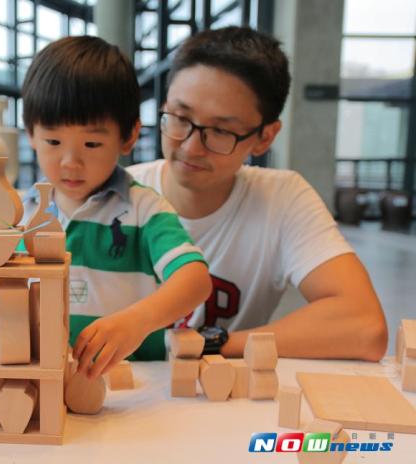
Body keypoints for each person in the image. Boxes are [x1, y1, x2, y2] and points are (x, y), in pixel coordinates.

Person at [127, 26, 387, 361]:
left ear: (264, 137)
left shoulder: (282, 198)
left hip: (220, 399)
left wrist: (209, 344)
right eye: (179, 117)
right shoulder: (115, 195)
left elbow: (364, 327)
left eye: (220, 130)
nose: (191, 147)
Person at [21, 36, 212, 378]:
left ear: (128, 137)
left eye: (92, 143)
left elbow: (195, 280)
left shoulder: (143, 210)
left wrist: (137, 321)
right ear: (30, 134)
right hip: (44, 378)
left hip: (137, 382)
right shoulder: (20, 215)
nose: (70, 163)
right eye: (52, 141)